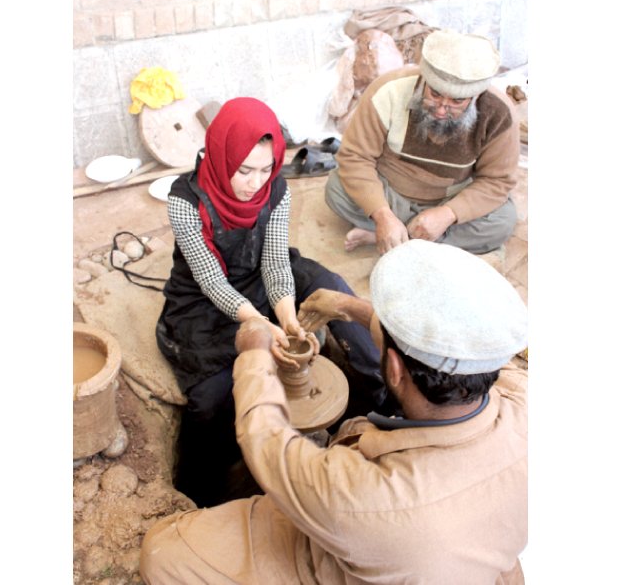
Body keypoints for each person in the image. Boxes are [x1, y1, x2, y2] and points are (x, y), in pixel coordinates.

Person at [141, 239, 529, 584]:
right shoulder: (522, 397)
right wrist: (348, 306)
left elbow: (267, 444)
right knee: (359, 428)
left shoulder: (366, 499)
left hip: (384, 546)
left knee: (163, 553)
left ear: (393, 368)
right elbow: (440, 349)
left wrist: (254, 352)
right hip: (461, 547)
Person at [155, 97, 389, 508]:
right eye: (244, 170)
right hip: (205, 297)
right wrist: (261, 326)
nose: (255, 182)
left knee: (330, 286)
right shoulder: (185, 201)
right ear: (220, 154)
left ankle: (378, 403)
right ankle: (198, 490)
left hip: (262, 274)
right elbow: (210, 279)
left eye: (266, 169)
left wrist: (288, 319)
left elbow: (276, 259)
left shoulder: (276, 190)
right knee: (212, 393)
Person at [325, 29, 521, 255]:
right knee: (337, 189)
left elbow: (496, 182)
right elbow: (355, 157)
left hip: (450, 199)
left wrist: (448, 214)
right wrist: (382, 215)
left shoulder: (499, 113)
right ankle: (401, 233)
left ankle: (393, 237)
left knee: (502, 221)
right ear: (424, 80)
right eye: (435, 94)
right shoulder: (388, 89)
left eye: (456, 101)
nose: (441, 109)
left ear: (475, 96)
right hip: (391, 194)